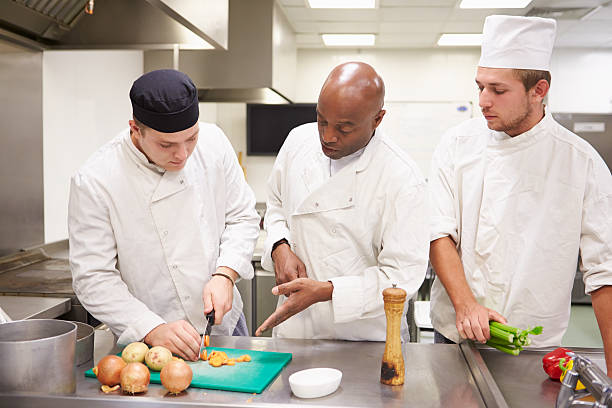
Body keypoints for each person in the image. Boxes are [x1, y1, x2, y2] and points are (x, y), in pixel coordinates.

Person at [428, 15, 612, 375]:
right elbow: (437, 232)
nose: (483, 101)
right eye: (480, 86)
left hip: (533, 344)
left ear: (538, 90)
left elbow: (605, 274)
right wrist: (467, 306)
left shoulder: (581, 163)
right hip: (454, 337)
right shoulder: (457, 145)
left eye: (498, 90)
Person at [68, 69, 260, 361]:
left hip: (224, 325)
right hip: (149, 340)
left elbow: (242, 216)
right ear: (135, 129)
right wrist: (151, 327)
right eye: (166, 145)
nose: (182, 155)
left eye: (191, 139)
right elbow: (93, 276)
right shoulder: (96, 180)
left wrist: (226, 274)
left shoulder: (214, 142)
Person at [255, 62, 429, 341]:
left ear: (378, 119)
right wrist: (279, 246)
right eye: (321, 120)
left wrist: (328, 291)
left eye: (344, 128)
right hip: (297, 332)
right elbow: (276, 204)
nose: (327, 136)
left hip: (366, 340)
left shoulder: (402, 178)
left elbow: (401, 277)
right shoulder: (298, 141)